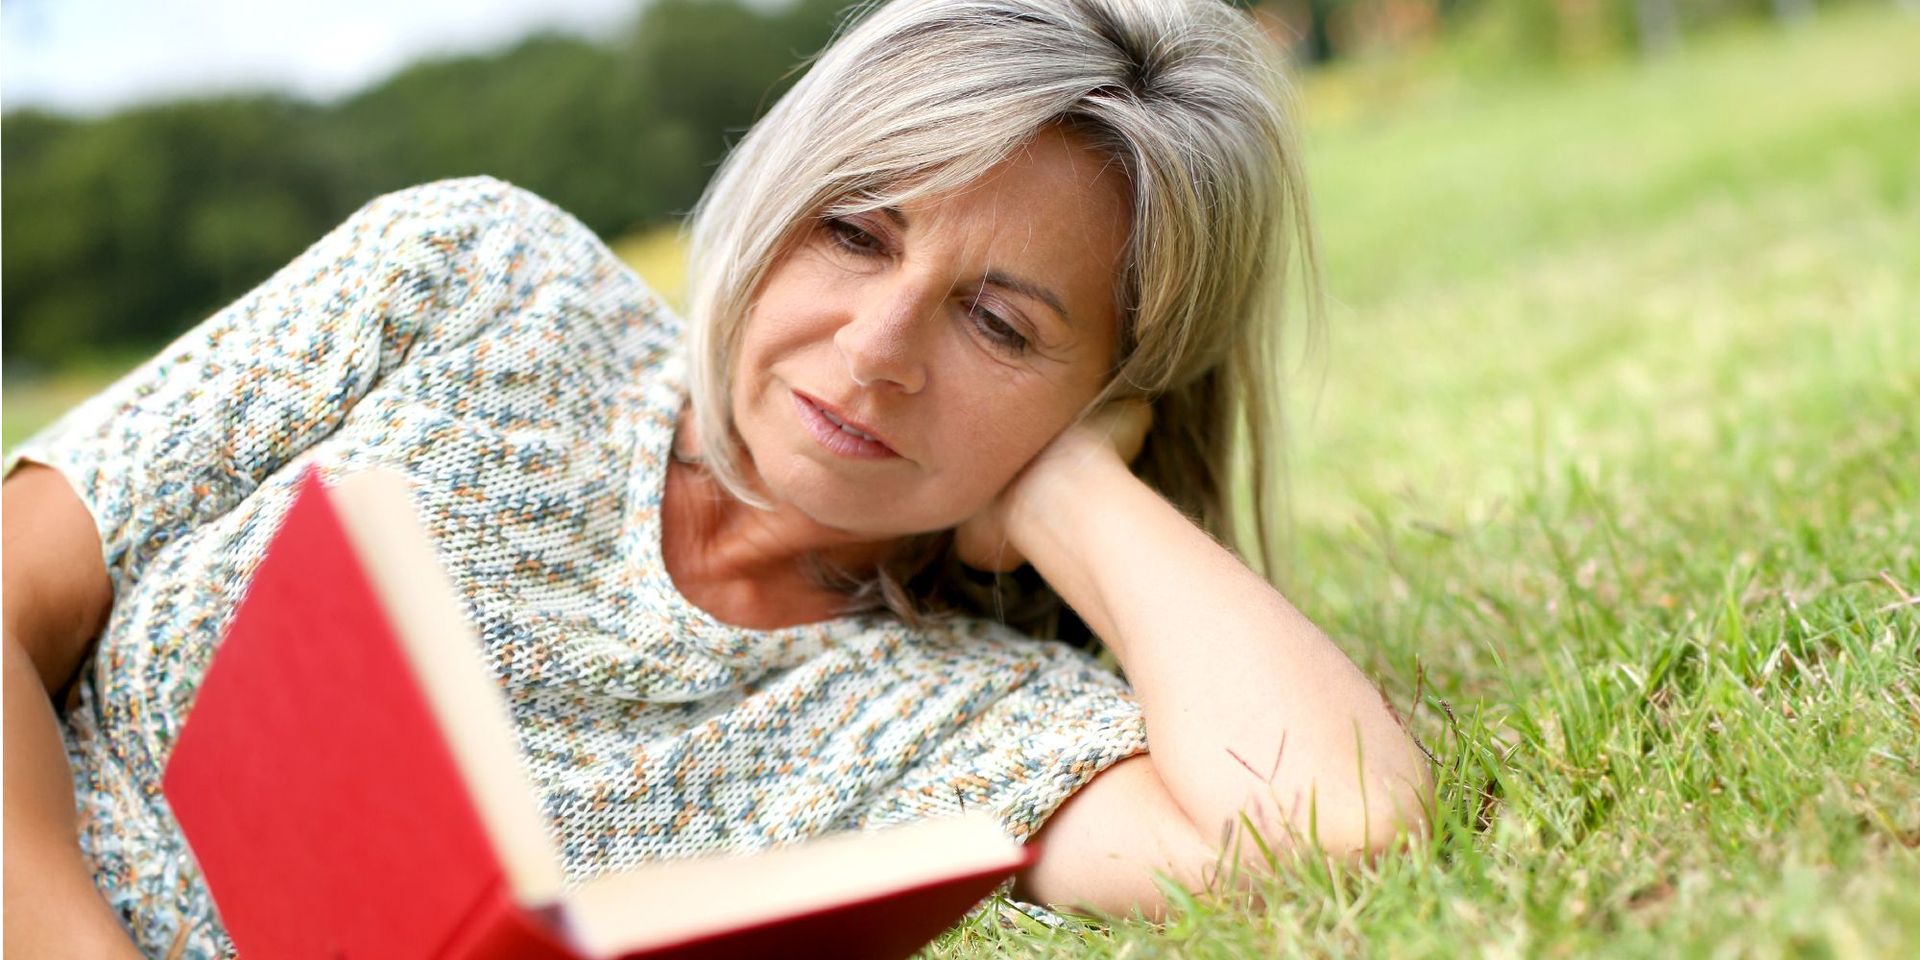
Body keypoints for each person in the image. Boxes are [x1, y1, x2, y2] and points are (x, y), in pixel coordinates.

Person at [2, 0, 1432, 956]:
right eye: (856, 234)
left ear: (1112, 391)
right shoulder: (471, 279)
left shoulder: (957, 720)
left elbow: (1334, 827)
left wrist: (1071, 495)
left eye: (1000, 324)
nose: (875, 352)